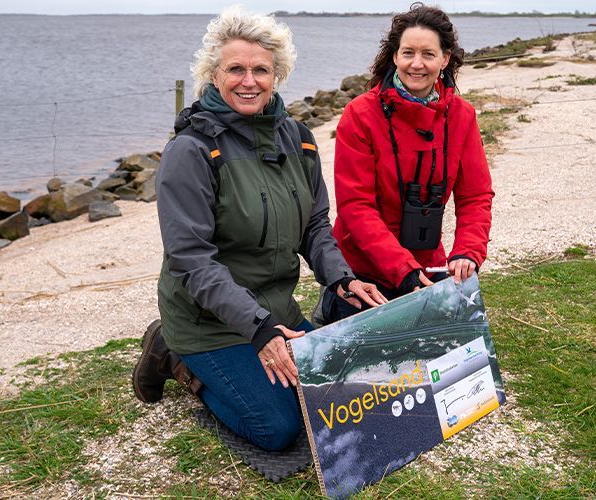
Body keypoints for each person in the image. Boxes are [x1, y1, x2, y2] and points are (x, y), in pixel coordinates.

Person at [132, 6, 386, 452]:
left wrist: (340, 278)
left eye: (261, 70)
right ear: (213, 75)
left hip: (276, 311)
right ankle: (174, 356)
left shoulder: (299, 139)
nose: (249, 80)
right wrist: (258, 328)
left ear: (277, 76)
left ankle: (247, 350)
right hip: (208, 320)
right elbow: (191, 259)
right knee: (277, 428)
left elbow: (315, 225)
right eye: (236, 69)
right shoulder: (191, 150)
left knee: (343, 398)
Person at [318, 3, 494, 324]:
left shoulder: (462, 116)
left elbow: (475, 197)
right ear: (395, 56)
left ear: (445, 58)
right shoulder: (360, 114)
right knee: (367, 372)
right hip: (364, 268)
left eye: (428, 54)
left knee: (444, 369)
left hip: (428, 264)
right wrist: (402, 270)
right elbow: (356, 207)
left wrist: (468, 251)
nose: (417, 63)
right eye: (408, 52)